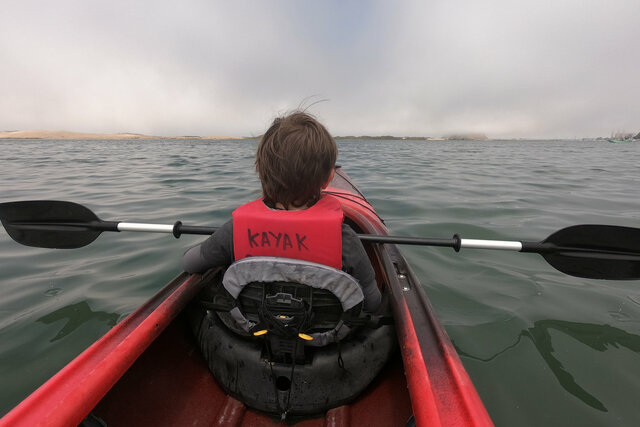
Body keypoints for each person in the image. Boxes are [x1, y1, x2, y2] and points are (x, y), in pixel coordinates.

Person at [182, 111, 381, 313]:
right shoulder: (345, 240)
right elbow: (372, 303)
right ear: (328, 178)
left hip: (250, 333)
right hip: (328, 339)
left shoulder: (234, 231)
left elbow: (190, 262)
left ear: (261, 173)